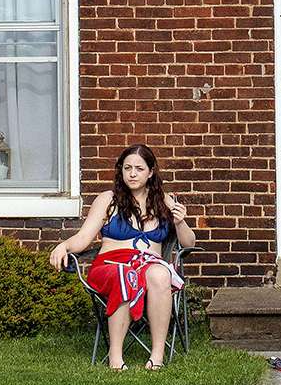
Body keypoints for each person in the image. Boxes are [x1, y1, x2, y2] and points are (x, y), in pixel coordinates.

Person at [48, 144, 195, 369]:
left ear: (151, 171)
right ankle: (115, 358)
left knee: (160, 274)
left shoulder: (164, 201)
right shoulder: (109, 199)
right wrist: (64, 246)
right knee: (125, 274)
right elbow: (84, 238)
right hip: (110, 266)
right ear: (121, 171)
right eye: (127, 168)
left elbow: (188, 243)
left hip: (149, 265)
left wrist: (180, 222)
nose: (133, 174)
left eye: (139, 168)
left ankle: (157, 356)